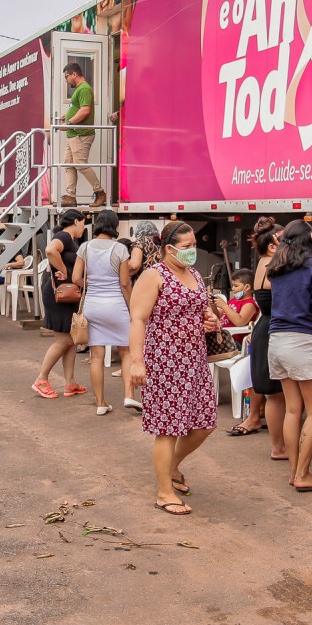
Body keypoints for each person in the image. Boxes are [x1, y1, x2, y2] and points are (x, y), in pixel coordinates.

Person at [128, 221, 220, 515]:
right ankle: (164, 492)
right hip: (164, 361)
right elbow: (138, 320)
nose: (192, 251)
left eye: (194, 245)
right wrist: (137, 361)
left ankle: (173, 466)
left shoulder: (193, 274)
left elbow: (202, 310)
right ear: (169, 249)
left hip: (194, 360)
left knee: (204, 423)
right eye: (186, 246)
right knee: (167, 429)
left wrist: (209, 320)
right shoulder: (154, 275)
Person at [266, 220, 312, 492]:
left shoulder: (277, 269)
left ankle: (295, 471)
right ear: (309, 238)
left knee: (293, 409)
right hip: (304, 342)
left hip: (278, 342)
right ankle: (304, 474)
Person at [233, 218, 288, 453]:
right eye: (286, 240)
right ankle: (280, 446)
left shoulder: (263, 262)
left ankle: (279, 443)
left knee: (274, 392)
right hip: (274, 329)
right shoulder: (273, 268)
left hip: (264, 327)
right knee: (278, 394)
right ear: (273, 245)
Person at [73, 209, 132, 415]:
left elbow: (76, 278)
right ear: (114, 226)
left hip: (93, 306)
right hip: (116, 305)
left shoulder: (85, 247)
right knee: (126, 352)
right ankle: (129, 396)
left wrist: (91, 285)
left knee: (96, 356)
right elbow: (124, 283)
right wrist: (132, 306)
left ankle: (100, 403)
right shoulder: (120, 249)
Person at [32, 208, 87, 399]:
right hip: (59, 294)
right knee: (64, 340)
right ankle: (41, 379)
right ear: (76, 221)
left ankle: (70, 383)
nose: (84, 227)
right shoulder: (64, 236)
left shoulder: (70, 240)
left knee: (71, 340)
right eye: (83, 223)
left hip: (67, 295)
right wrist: (64, 271)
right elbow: (50, 250)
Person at [60, 62, 105, 208]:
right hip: (73, 134)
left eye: (67, 76)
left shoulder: (85, 89)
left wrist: (69, 123)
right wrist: (67, 116)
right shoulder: (80, 90)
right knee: (69, 164)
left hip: (81, 134)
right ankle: (70, 196)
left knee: (80, 164)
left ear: (74, 74)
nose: (66, 80)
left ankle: (99, 192)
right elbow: (78, 108)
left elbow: (85, 111)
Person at [213, 268, 258, 343]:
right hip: (219, 336)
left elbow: (240, 322)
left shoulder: (250, 304)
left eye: (236, 286)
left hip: (232, 341)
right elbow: (217, 315)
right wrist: (213, 304)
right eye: (232, 286)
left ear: (247, 287)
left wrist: (224, 306)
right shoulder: (233, 301)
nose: (233, 289)